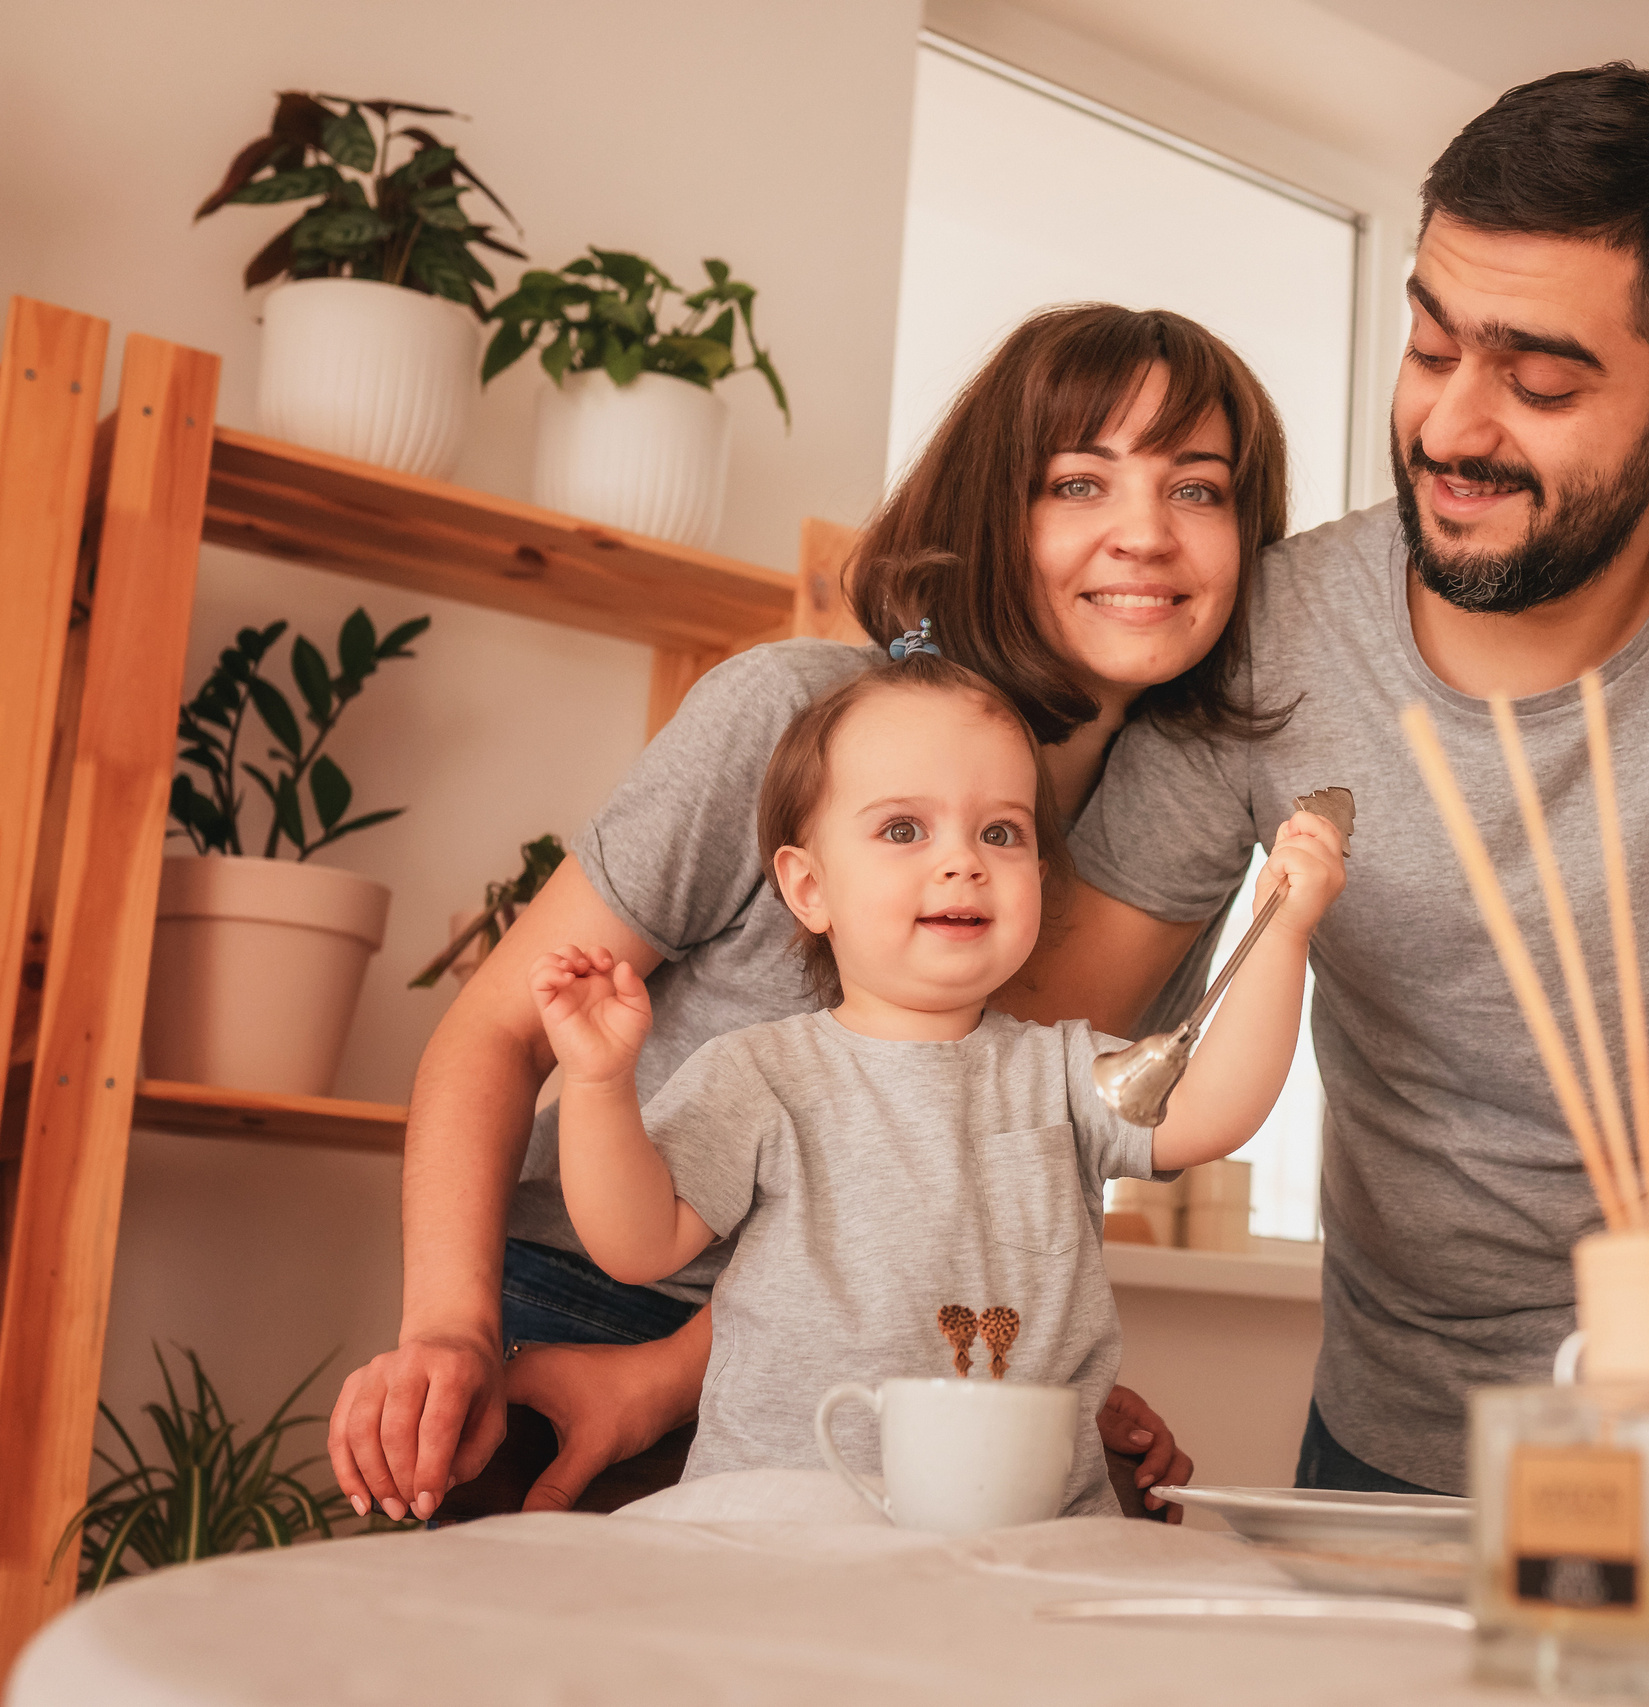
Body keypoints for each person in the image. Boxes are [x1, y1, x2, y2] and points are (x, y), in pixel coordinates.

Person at [1006, 64, 1649, 1497]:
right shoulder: (1274, 630)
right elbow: (1025, 1068)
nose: (1451, 429)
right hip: (1402, 1425)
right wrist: (1027, 1358)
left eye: (1540, 380)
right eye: (1430, 348)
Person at [327, 304, 1294, 1521]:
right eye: (1079, 482)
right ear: (994, 514)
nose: (1145, 535)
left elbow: (983, 1155)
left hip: (865, 1369)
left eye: (1198, 491)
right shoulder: (791, 715)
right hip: (594, 1319)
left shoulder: (1170, 833)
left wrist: (1023, 1373)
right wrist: (453, 1335)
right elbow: (499, 1028)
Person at [528, 651, 1344, 1506]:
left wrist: (1281, 934)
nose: (963, 861)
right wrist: (596, 1082)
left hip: (1029, 1531)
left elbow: (1214, 1108)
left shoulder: (1063, 1073)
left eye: (1001, 832)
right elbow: (635, 1243)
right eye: (904, 830)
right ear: (809, 888)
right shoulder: (760, 1074)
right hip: (791, 1527)